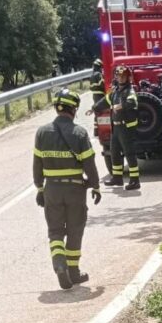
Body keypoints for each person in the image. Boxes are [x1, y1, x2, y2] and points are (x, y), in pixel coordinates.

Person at [34, 89, 102, 289]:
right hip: (75, 191)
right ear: (74, 109)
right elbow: (90, 164)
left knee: (55, 232)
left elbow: (37, 165)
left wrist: (39, 188)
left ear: (57, 107)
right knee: (75, 230)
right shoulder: (79, 133)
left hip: (52, 191)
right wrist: (96, 186)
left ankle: (59, 264)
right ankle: (73, 271)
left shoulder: (42, 133)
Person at [88, 65, 140, 191]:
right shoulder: (115, 92)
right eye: (119, 76)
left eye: (123, 76)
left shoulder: (130, 91)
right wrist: (93, 108)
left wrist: (121, 106)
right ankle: (117, 178)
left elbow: (132, 102)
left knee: (129, 153)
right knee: (114, 153)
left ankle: (135, 180)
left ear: (128, 78)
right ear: (115, 77)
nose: (121, 78)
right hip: (116, 129)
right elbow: (104, 102)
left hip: (126, 128)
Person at [89, 58, 105, 137]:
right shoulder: (98, 74)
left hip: (94, 96)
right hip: (100, 95)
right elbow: (102, 84)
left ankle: (96, 131)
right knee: (102, 112)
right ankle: (101, 130)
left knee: (97, 112)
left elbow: (91, 87)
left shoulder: (92, 75)